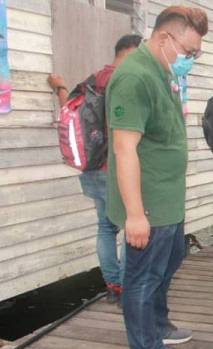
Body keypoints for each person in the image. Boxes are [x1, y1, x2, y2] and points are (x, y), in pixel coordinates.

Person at [106, 6, 208, 349]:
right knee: (142, 276)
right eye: (189, 51)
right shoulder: (134, 77)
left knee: (171, 259)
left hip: (168, 200)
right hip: (148, 203)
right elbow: (124, 149)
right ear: (166, 38)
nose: (191, 59)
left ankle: (159, 323)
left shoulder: (162, 70)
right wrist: (135, 214)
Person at [47, 34, 142, 304]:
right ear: (131, 51)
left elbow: (68, 108)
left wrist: (60, 87)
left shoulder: (91, 81)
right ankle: (127, 288)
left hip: (90, 167)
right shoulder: (123, 82)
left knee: (105, 227)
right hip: (114, 168)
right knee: (128, 227)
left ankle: (113, 285)